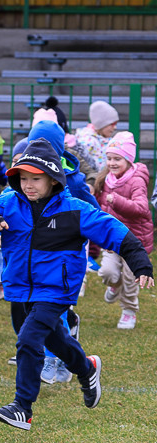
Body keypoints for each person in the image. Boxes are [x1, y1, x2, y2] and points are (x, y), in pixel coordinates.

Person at [0, 138, 153, 431]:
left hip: (57, 290)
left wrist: (140, 262)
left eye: (36, 179)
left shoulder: (75, 210)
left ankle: (22, 408)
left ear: (53, 179)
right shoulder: (7, 203)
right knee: (53, 340)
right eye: (23, 178)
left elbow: (115, 232)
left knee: (29, 339)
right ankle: (86, 368)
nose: (28, 185)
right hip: (20, 287)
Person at [97, 132, 152, 330]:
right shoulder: (107, 179)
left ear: (128, 160)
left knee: (131, 280)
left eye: (117, 159)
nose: (112, 163)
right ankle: (114, 285)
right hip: (113, 239)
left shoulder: (136, 180)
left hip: (135, 239)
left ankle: (129, 311)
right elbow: (101, 208)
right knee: (107, 272)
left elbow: (141, 208)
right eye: (109, 158)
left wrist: (117, 201)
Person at [76, 100, 119, 172]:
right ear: (101, 124)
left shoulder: (107, 140)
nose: (115, 127)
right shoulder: (87, 141)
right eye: (112, 124)